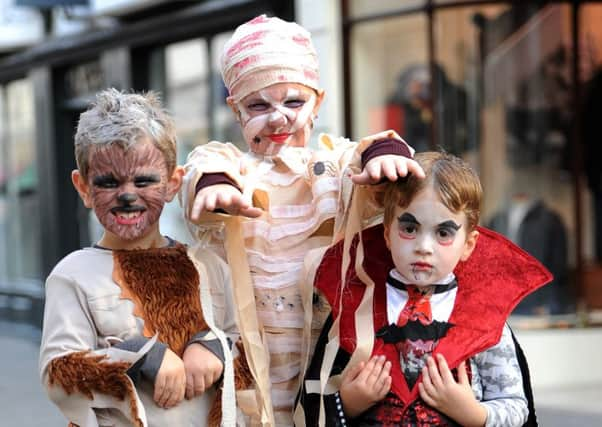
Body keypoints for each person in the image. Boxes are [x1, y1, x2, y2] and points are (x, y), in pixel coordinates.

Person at [181, 14, 424, 425]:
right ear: (235, 110)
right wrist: (215, 186)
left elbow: (367, 149)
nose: (278, 118)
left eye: (294, 101)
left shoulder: (333, 163)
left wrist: (385, 160)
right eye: (258, 105)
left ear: (318, 102)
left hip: (326, 351)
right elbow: (202, 166)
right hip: (252, 351)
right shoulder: (234, 165)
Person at [297, 151, 551, 426]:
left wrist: (473, 414)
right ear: (387, 234)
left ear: (468, 244)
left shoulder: (484, 318)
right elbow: (311, 400)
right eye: (409, 228)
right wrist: (347, 403)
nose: (423, 247)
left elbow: (516, 406)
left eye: (443, 233)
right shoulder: (355, 308)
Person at [39, 89, 236, 427]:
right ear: (83, 187)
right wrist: (139, 356)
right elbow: (58, 373)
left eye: (144, 180)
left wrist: (214, 346)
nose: (127, 195)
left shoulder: (209, 266)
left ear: (173, 183)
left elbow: (248, 347)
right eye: (108, 182)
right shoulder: (72, 275)